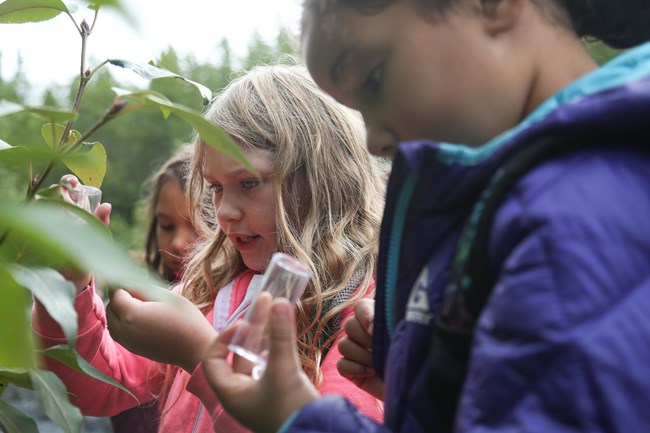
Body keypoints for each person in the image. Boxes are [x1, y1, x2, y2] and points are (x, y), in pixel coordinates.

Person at [200, 1, 650, 433]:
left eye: (373, 80)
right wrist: (425, 381)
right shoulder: (512, 205)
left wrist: (297, 419)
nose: (373, 141)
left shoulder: (573, 220)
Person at [31, 63, 385, 433]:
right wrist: (67, 288)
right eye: (215, 187)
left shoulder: (359, 320)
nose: (224, 212)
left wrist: (199, 354)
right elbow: (96, 387)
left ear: (323, 180)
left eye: (247, 183)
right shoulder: (212, 292)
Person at [110, 143, 198, 433]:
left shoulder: (234, 303)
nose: (176, 243)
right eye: (166, 225)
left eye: (196, 227)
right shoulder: (131, 291)